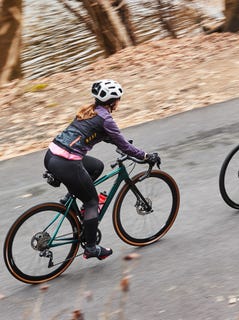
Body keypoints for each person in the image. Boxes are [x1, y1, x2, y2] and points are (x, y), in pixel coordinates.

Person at [44, 79, 160, 260]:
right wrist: (146, 156)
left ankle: (71, 199)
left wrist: (115, 141)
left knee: (97, 167)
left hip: (51, 155)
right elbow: (125, 147)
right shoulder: (106, 119)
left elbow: (93, 133)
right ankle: (91, 248)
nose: (119, 102)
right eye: (118, 99)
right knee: (91, 201)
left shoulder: (87, 111)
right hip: (67, 163)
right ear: (113, 101)